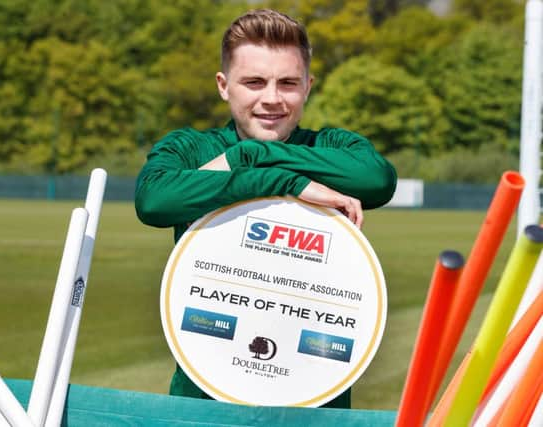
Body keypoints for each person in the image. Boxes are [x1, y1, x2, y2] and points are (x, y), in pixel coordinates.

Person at [135, 8, 397, 409]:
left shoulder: (331, 147)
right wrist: (285, 180)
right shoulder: (189, 149)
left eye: (288, 83)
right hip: (206, 396)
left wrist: (253, 153)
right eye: (254, 82)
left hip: (315, 397)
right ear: (224, 85)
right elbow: (154, 201)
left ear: (308, 86)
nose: (272, 98)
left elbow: (377, 181)